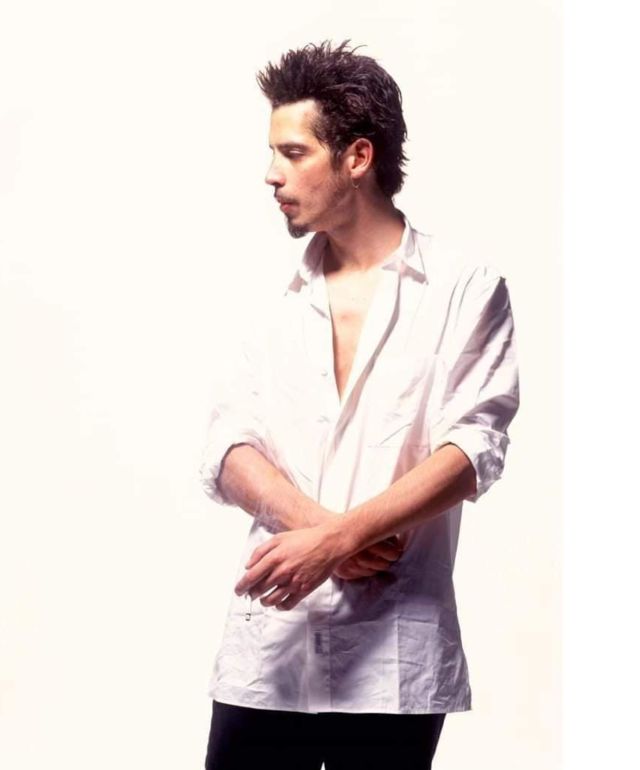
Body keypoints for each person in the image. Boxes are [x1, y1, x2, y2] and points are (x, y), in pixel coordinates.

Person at [199, 40, 519, 770]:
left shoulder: (466, 287)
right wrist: (327, 537)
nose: (272, 174)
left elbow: (473, 448)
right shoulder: (272, 299)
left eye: (293, 152)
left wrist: (337, 541)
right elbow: (228, 446)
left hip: (394, 662)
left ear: (357, 158)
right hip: (270, 651)